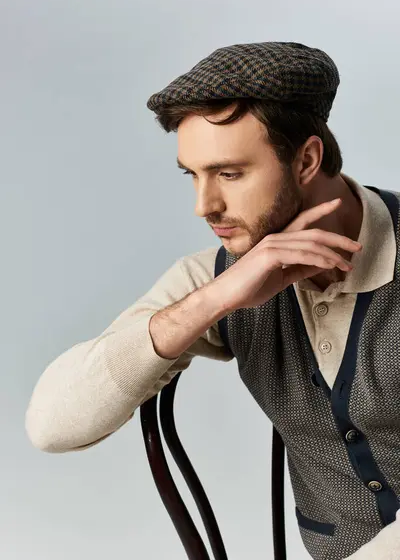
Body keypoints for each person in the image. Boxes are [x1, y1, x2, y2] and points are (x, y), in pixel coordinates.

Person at [25, 41, 400, 560]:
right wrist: (214, 300)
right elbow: (50, 425)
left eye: (229, 173)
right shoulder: (223, 273)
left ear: (307, 159)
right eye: (192, 174)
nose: (204, 205)